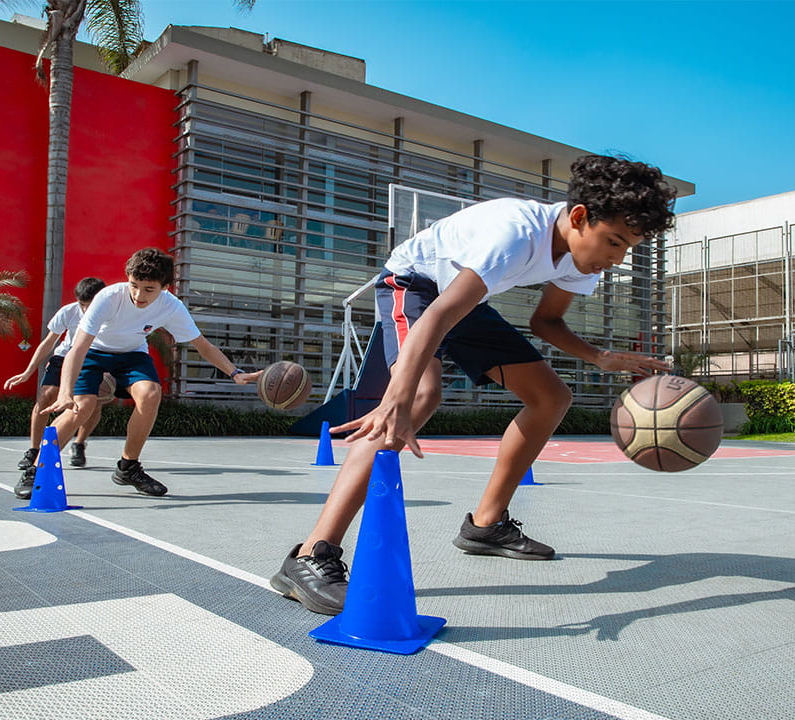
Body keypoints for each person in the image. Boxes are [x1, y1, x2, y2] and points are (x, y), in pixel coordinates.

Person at [270, 154, 677, 615]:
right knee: (420, 397)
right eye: (614, 242)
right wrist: (396, 401)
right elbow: (439, 315)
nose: (618, 257)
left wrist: (600, 357)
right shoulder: (514, 234)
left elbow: (547, 322)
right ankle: (311, 555)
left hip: (463, 296)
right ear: (580, 217)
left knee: (551, 397)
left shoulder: (581, 262)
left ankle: (485, 525)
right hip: (415, 285)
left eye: (629, 248)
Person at [34, 248, 258, 497]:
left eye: (148, 289)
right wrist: (65, 393)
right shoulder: (108, 297)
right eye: (134, 285)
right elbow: (78, 348)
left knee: (151, 393)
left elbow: (202, 345)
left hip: (132, 354)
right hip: (94, 352)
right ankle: (36, 471)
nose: (139, 295)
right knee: (81, 407)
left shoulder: (172, 306)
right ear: (127, 278)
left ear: (165, 287)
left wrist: (235, 372)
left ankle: (128, 467)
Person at [6, 277, 110, 498]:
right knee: (46, 397)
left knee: (91, 404)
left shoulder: (114, 314)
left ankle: (79, 443)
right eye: (82, 304)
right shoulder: (68, 312)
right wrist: (28, 371)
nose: (84, 309)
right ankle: (34, 450)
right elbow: (48, 342)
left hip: (95, 359)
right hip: (65, 356)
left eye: (88, 305)